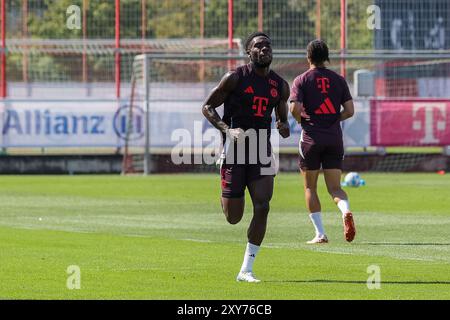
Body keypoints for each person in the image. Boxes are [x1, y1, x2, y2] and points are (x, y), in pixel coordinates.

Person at [202, 32, 290, 282]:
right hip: (234, 150)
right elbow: (207, 107)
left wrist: (284, 127)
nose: (264, 49)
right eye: (258, 46)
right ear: (248, 53)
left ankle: (246, 270)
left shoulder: (280, 85)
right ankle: (226, 192)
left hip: (261, 150)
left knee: (263, 206)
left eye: (267, 46)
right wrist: (227, 129)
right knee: (234, 217)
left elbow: (283, 121)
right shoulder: (235, 78)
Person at [289, 39, 356, 244]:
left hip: (311, 139)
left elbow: (294, 109)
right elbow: (350, 111)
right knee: (335, 188)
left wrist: (305, 121)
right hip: (334, 138)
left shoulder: (301, 80)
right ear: (327, 57)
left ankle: (320, 234)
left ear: (308, 57)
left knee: (310, 187)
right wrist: (334, 118)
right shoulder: (339, 80)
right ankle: (346, 211)